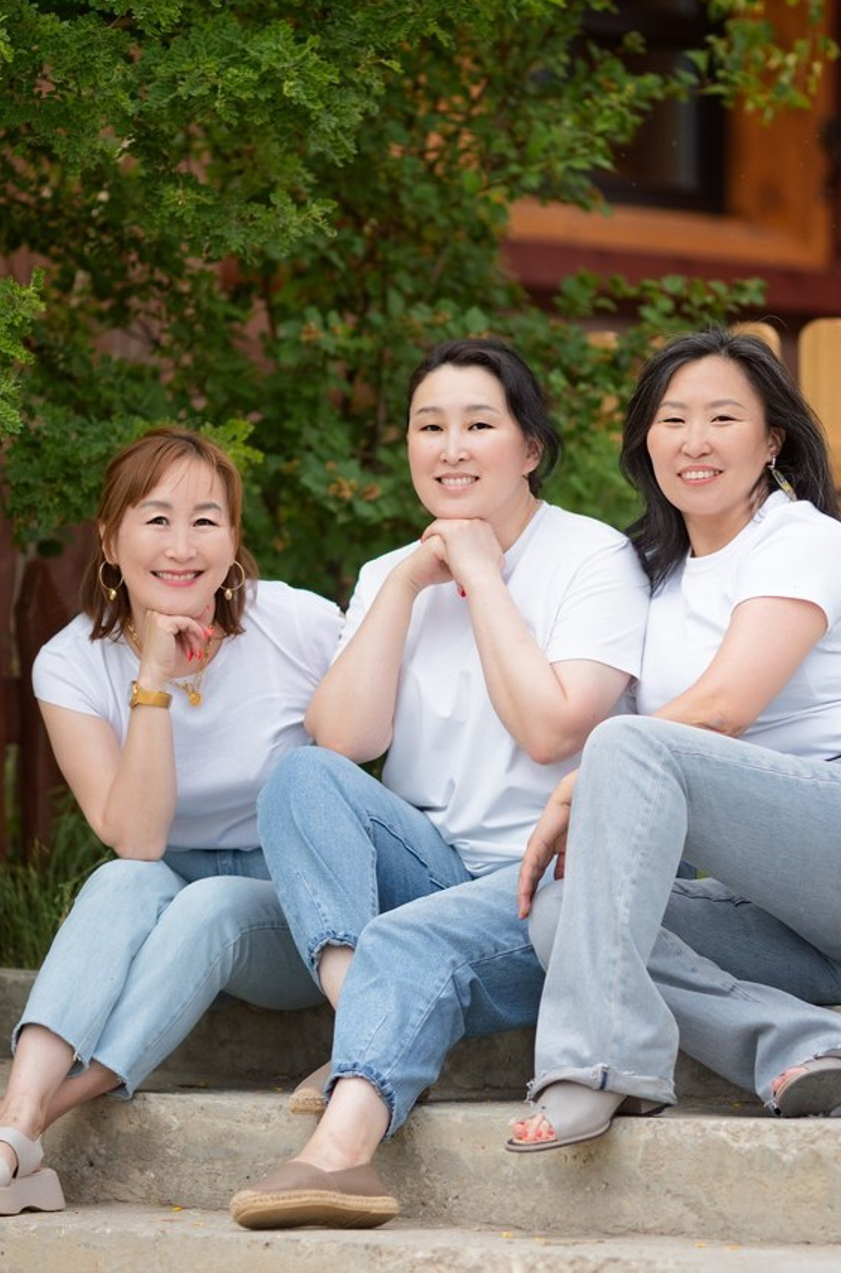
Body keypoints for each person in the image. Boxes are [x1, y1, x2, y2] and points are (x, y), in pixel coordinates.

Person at [507, 326, 841, 1151]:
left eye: (723, 419)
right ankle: (805, 1046)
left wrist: (580, 785)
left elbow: (725, 709)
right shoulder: (652, 580)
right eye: (671, 419)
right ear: (644, 440)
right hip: (810, 929)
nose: (694, 442)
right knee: (559, 915)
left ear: (772, 440)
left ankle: (594, 1068)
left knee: (624, 746)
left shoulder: (801, 539)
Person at [228, 338, 649, 1229]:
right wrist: (412, 583)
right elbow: (344, 738)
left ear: (530, 448)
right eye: (430, 427)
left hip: (544, 894)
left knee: (421, 934)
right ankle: (365, 1017)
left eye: (478, 425)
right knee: (302, 776)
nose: (450, 447)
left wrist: (481, 574)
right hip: (425, 874)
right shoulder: (392, 571)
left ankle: (337, 1160)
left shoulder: (593, 558)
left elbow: (551, 731)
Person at [0, 427, 342, 1215]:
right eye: (156, 517)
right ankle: (23, 1130)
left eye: (206, 519)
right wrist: (154, 682)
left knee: (205, 901)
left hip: (298, 911)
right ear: (110, 539)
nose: (182, 545)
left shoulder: (299, 627)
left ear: (234, 540)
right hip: (164, 883)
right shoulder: (71, 662)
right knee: (123, 877)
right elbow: (137, 839)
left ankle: (12, 1123)